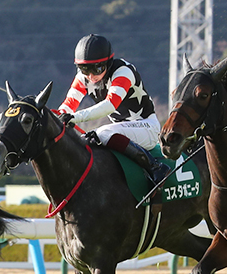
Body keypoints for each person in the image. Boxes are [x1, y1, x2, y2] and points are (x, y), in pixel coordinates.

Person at [56, 34, 170, 185]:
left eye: (97, 68)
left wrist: (75, 117)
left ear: (108, 63)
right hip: (121, 130)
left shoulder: (123, 71)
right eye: (84, 69)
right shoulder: (83, 78)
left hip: (147, 128)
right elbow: (68, 104)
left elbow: (110, 105)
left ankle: (155, 168)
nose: (91, 76)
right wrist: (56, 117)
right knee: (84, 140)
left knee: (102, 133)